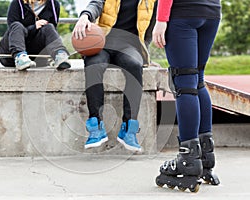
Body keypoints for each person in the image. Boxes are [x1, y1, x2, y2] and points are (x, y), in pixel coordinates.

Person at [152, 0, 221, 192]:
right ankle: (206, 154)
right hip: (211, 11)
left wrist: (161, 19)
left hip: (183, 12)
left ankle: (188, 158)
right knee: (197, 80)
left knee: (185, 83)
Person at [72, 0, 156, 152]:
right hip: (102, 42)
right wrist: (85, 16)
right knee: (94, 65)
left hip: (129, 47)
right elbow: (95, 4)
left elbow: (151, 29)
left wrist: (145, 53)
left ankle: (129, 129)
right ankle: (96, 126)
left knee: (135, 66)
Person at [0, 0, 71, 70]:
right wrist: (34, 27)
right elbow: (12, 31)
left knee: (49, 27)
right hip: (11, 55)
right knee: (17, 25)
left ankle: (60, 55)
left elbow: (52, 31)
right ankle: (20, 57)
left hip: (36, 56)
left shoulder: (53, 4)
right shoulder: (17, 3)